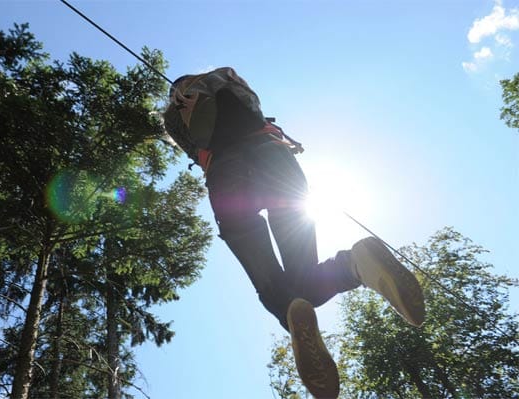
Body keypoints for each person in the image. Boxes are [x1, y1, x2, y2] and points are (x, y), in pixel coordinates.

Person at [163, 67, 425, 397]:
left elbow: (193, 144)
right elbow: (253, 108)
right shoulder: (225, 80)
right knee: (304, 272)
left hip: (226, 172)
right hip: (273, 154)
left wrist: (181, 112)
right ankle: (357, 263)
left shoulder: (174, 113)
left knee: (268, 269)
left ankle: (295, 307)